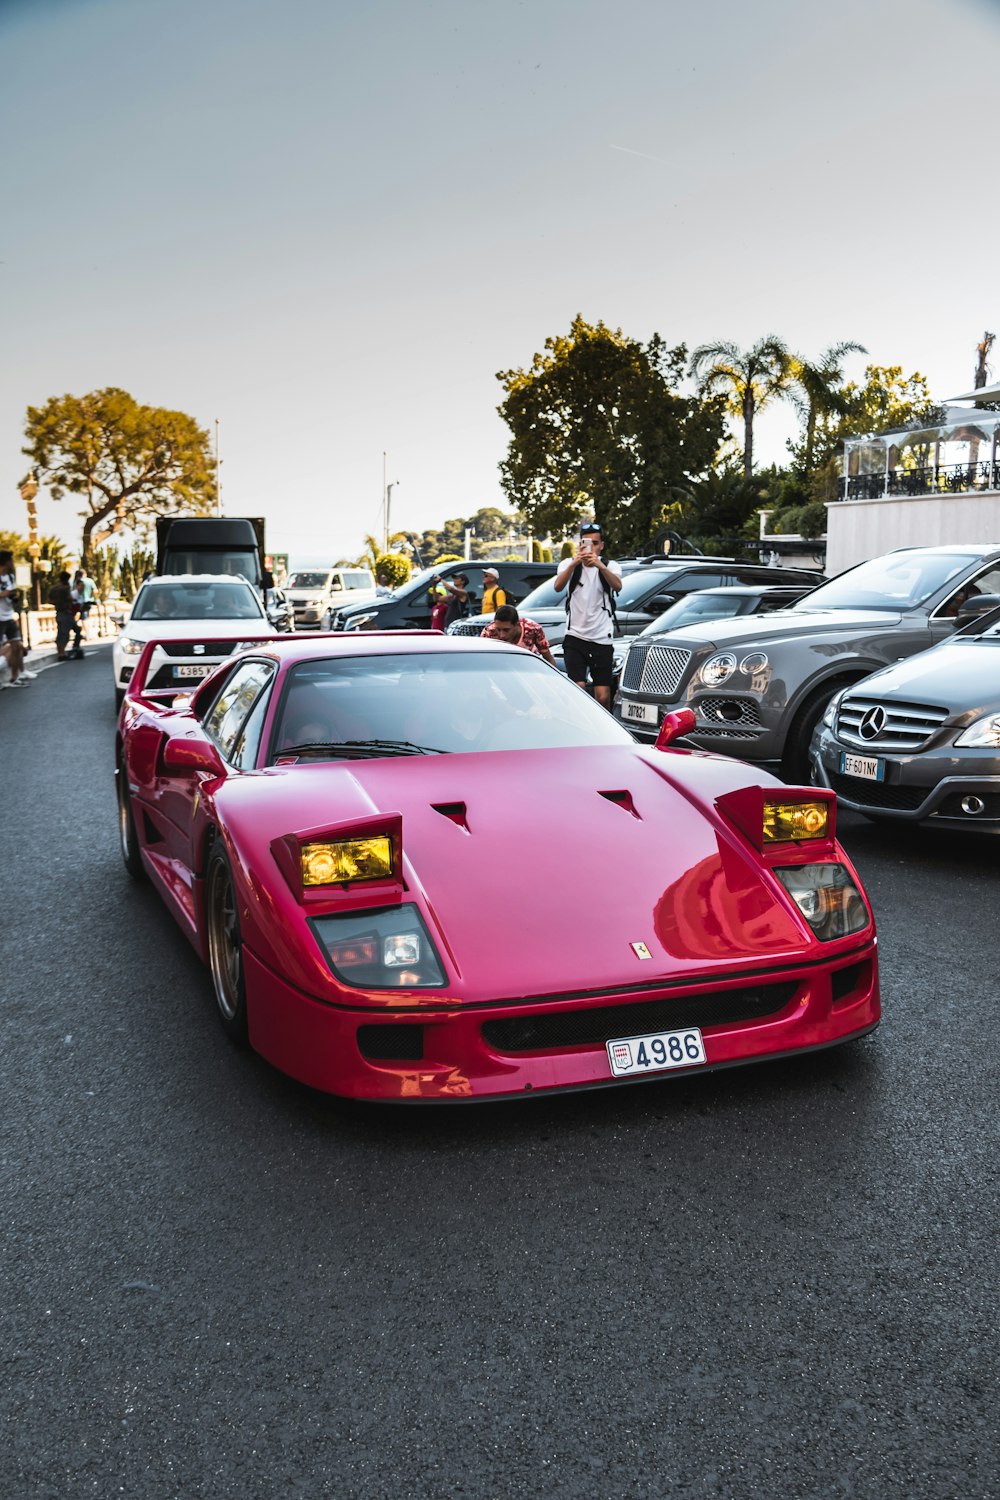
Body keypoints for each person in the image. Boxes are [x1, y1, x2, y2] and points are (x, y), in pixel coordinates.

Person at [552, 521, 623, 709]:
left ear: (602, 546)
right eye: (586, 542)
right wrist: (576, 561)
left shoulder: (611, 565)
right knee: (578, 689)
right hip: (575, 635)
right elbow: (558, 586)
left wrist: (600, 566)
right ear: (580, 544)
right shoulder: (569, 565)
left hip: (601, 637)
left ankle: (605, 731)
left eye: (596, 543)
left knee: (603, 696)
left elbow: (618, 586)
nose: (591, 547)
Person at [0, 549, 35, 686]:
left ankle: (16, 676)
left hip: (9, 615)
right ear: (6, 561)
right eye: (11, 560)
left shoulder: (10, 577)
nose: (13, 563)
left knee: (18, 646)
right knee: (5, 649)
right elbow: (5, 593)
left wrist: (14, 596)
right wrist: (4, 594)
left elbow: (12, 593)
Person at [481, 604, 557, 666]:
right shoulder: (488, 633)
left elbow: (548, 659)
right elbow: (482, 662)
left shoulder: (532, 628)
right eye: (498, 629)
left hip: (528, 667)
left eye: (506, 630)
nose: (502, 635)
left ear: (517, 624)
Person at [50, 570, 83, 661]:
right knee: (65, 635)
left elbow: (50, 600)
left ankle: (62, 652)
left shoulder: (54, 588)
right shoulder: (65, 588)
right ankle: (61, 654)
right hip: (66, 613)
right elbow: (70, 598)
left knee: (61, 633)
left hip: (59, 613)